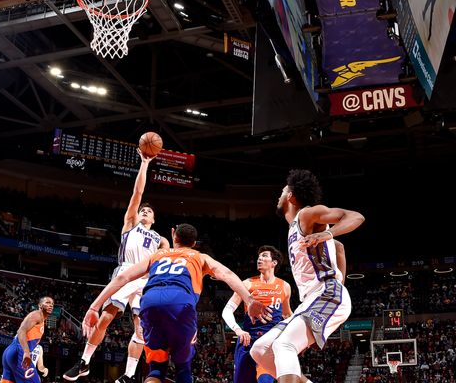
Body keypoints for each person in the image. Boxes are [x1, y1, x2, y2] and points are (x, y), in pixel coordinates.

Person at [82, 223, 271, 383]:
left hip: (150, 303)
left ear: (173, 234)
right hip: (180, 303)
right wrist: (249, 298)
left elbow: (123, 277)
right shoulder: (200, 257)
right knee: (183, 368)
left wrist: (94, 307)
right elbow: (226, 274)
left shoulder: (158, 255)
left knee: (156, 369)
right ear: (194, 244)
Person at [64, 149, 170, 383]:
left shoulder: (160, 239)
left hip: (146, 280)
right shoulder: (130, 225)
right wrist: (144, 164)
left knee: (141, 327)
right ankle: (84, 362)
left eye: (149, 211)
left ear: (154, 219)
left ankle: (130, 375)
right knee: (106, 317)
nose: (145, 211)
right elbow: (138, 192)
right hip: (126, 272)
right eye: (143, 209)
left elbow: (166, 259)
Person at [250, 169, 364, 383]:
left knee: (284, 345)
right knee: (260, 349)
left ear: (291, 196)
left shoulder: (307, 214)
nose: (279, 195)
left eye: (283, 190)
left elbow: (355, 216)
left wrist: (327, 234)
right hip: (310, 299)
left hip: (326, 292)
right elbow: (338, 248)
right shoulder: (293, 227)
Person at [222, 246, 292, 383]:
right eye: (259, 256)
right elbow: (227, 310)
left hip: (270, 342)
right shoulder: (247, 284)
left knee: (265, 380)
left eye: (264, 256)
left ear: (274, 262)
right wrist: (238, 330)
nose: (260, 258)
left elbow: (288, 315)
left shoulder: (284, 286)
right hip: (247, 340)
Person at [0, 297, 55, 383]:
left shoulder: (41, 320)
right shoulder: (37, 315)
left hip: (11, 352)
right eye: (47, 302)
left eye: (52, 304)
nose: (51, 305)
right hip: (19, 352)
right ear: (40, 305)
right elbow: (21, 331)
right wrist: (26, 352)